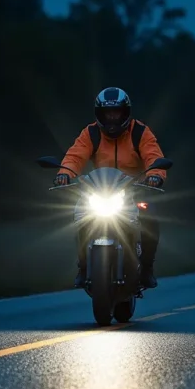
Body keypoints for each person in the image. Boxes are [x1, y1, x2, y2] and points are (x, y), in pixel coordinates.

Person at [53, 87, 167, 289]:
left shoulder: (140, 132)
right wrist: (65, 172)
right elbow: (75, 155)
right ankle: (84, 265)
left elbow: (153, 155)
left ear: (125, 112)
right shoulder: (91, 133)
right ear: (100, 114)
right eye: (108, 113)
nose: (112, 118)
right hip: (100, 189)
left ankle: (147, 268)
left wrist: (155, 176)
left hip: (135, 190)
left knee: (151, 216)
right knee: (80, 214)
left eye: (116, 112)